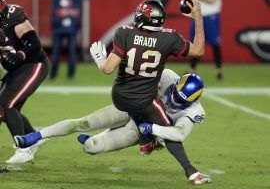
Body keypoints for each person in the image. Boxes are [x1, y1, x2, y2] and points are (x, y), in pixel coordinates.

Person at [15, 69, 211, 185]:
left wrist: (152, 131)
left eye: (181, 100)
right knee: (84, 122)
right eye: (174, 94)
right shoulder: (166, 75)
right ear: (176, 83)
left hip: (138, 130)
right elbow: (137, 87)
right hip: (130, 110)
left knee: (91, 147)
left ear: (193, 102)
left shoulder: (194, 111)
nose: (174, 101)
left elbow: (179, 134)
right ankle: (36, 136)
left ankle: (94, 138)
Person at [90, 0, 204, 155]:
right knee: (165, 126)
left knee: (133, 113)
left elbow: (108, 69)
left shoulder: (125, 32)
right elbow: (198, 50)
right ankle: (154, 143)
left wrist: (101, 61)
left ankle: (148, 140)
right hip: (147, 101)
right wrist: (198, 18)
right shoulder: (169, 38)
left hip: (122, 96)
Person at [0, 0, 49, 163]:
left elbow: (34, 43)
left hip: (33, 64)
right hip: (15, 69)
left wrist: (20, 55)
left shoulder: (12, 16)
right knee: (5, 110)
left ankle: (24, 148)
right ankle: (33, 138)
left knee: (5, 104)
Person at [43, 0, 92, 80]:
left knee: (63, 52)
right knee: (62, 52)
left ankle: (62, 75)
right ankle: (65, 75)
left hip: (65, 28)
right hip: (65, 28)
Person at [186, 0, 224, 80]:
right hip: (197, 15)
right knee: (196, 43)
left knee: (215, 43)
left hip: (211, 15)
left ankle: (218, 70)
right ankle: (192, 70)